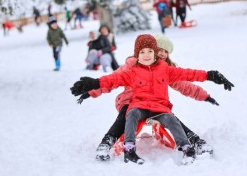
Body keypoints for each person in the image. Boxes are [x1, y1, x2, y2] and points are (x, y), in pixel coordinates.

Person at [70, 34, 234, 164]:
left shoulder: (165, 70)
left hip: (156, 104)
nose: (161, 53)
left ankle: (194, 141)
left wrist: (206, 95)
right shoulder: (132, 66)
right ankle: (106, 144)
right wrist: (91, 90)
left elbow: (186, 84)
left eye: (164, 51)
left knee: (171, 117)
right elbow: (111, 80)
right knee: (126, 115)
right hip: (131, 102)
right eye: (158, 49)